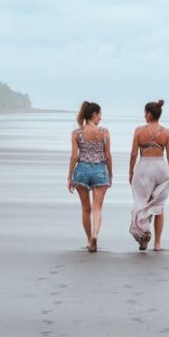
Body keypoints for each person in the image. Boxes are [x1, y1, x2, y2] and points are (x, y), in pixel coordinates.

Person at [129, 99, 169, 251]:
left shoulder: (139, 131)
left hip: (144, 168)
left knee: (141, 203)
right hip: (161, 169)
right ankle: (157, 243)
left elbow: (133, 154)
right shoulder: (167, 133)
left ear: (148, 114)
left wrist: (131, 172)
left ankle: (143, 234)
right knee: (159, 207)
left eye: (145, 113)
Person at [67, 101, 112, 252]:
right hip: (99, 169)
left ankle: (88, 240)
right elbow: (108, 156)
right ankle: (95, 234)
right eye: (99, 114)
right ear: (94, 114)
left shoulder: (77, 133)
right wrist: (110, 174)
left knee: (85, 209)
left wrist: (69, 177)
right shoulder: (104, 132)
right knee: (97, 208)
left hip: (82, 171)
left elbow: (74, 157)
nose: (101, 117)